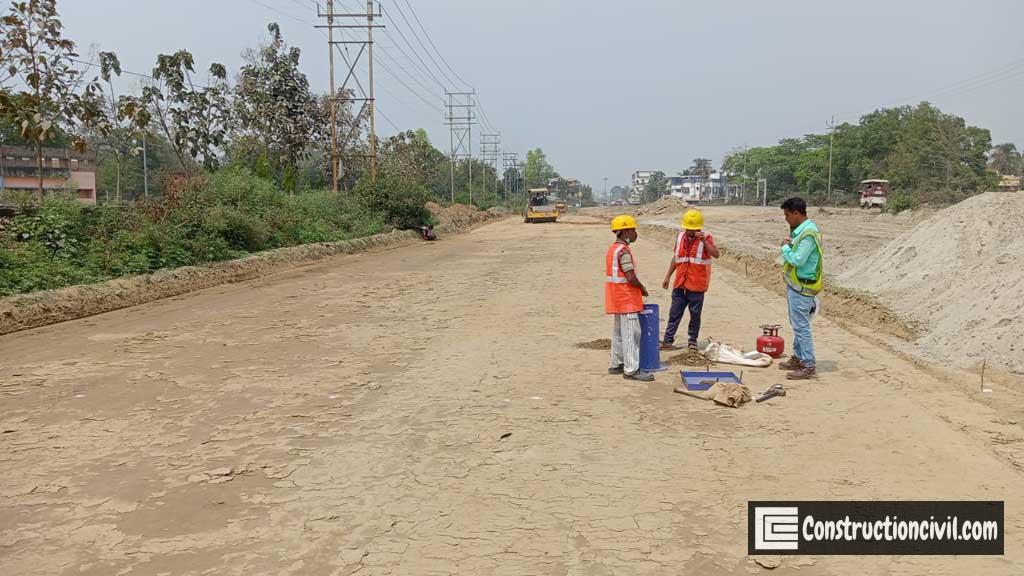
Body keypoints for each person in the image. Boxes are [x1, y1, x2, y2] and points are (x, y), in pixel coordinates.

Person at [660, 209, 719, 351]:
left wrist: (703, 241)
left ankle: (692, 341)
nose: (690, 232)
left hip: (696, 285)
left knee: (695, 315)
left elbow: (716, 254)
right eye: (688, 229)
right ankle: (668, 340)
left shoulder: (707, 238)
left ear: (699, 228)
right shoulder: (680, 237)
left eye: (693, 230)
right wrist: (668, 276)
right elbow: (676, 257)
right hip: (680, 283)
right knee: (674, 313)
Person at [605, 215, 655, 382]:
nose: (636, 234)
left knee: (619, 333)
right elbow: (630, 276)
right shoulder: (624, 252)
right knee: (632, 333)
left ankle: (617, 363)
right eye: (633, 230)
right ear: (625, 231)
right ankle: (631, 369)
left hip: (616, 297)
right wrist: (642, 288)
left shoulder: (613, 249)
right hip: (627, 298)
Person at [778, 197, 823, 380]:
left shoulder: (809, 233)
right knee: (797, 325)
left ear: (796, 213)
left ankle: (808, 365)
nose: (786, 219)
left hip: (803, 287)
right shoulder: (802, 231)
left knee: (801, 327)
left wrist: (785, 249)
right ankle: (798, 357)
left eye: (787, 215)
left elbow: (798, 260)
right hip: (796, 285)